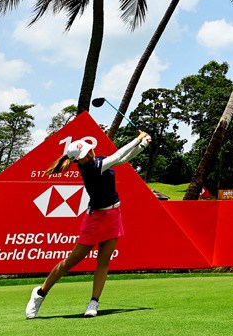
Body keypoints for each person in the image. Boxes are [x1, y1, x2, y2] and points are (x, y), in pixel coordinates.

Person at [25, 131, 151, 319]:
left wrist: (142, 146)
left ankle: (94, 302)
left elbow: (122, 160)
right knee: (72, 260)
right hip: (96, 219)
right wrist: (138, 139)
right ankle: (40, 293)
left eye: (89, 151)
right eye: (85, 155)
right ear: (78, 161)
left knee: (103, 261)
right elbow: (117, 156)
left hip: (113, 215)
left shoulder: (96, 161)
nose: (90, 154)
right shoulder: (91, 168)